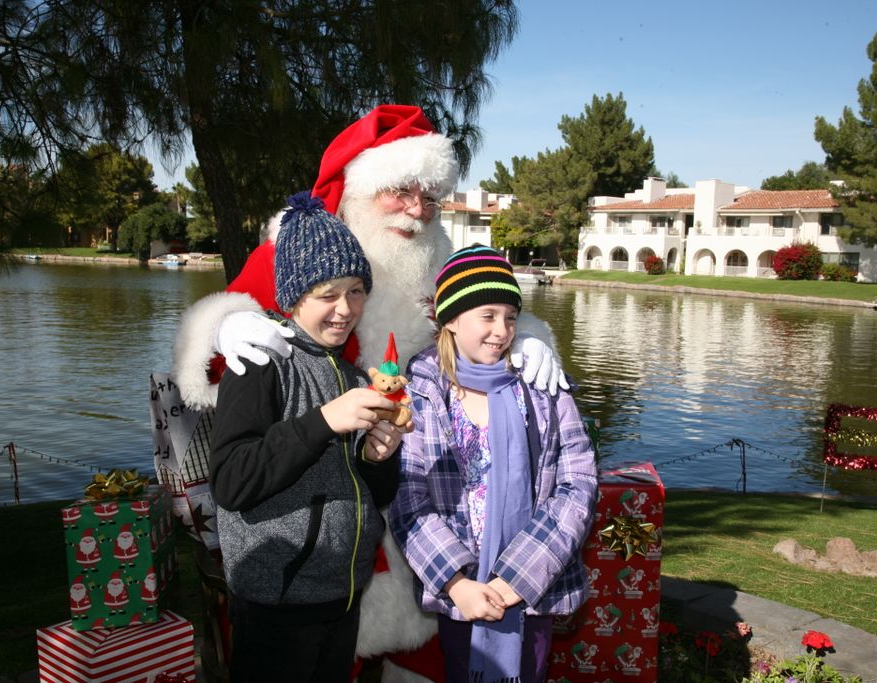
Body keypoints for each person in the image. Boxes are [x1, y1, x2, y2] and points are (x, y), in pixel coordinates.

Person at [172, 104, 567, 681]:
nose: (417, 209)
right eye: (399, 191)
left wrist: (529, 337)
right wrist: (226, 323)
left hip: (424, 502)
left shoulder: (442, 261)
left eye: (430, 198)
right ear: (364, 187)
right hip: (291, 561)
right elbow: (217, 371)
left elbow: (488, 310)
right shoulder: (306, 248)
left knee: (421, 654)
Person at [209, 192, 406, 683]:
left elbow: (372, 494)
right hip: (277, 605)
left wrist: (382, 460)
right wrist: (323, 422)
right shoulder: (260, 363)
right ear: (295, 296)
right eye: (327, 294)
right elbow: (231, 481)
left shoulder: (355, 376)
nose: (345, 310)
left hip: (341, 598)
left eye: (357, 291)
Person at [390, 245, 598, 683]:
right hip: (462, 592)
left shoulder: (542, 384)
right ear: (450, 319)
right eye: (487, 316)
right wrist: (455, 582)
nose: (501, 331)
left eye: (510, 316)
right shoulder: (423, 390)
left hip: (533, 589)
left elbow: (577, 481)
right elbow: (409, 495)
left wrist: (519, 578)